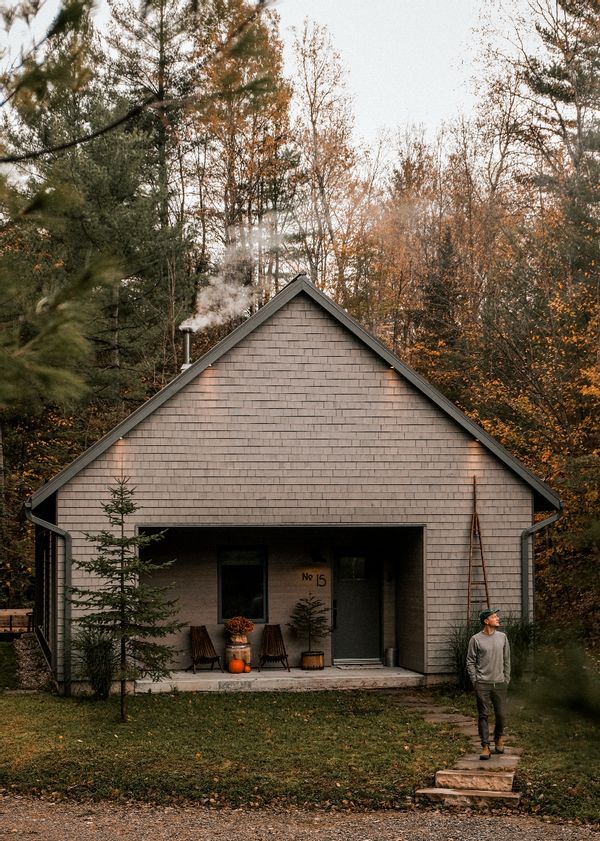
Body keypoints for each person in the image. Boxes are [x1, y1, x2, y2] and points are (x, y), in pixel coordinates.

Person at [466, 607, 511, 760]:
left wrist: (506, 679)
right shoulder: (476, 639)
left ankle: (498, 738)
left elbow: (507, 660)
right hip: (482, 684)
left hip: (499, 683)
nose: (497, 619)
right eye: (494, 617)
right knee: (483, 715)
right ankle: (485, 746)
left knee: (501, 714)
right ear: (486, 621)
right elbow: (470, 661)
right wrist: (475, 680)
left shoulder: (503, 637)